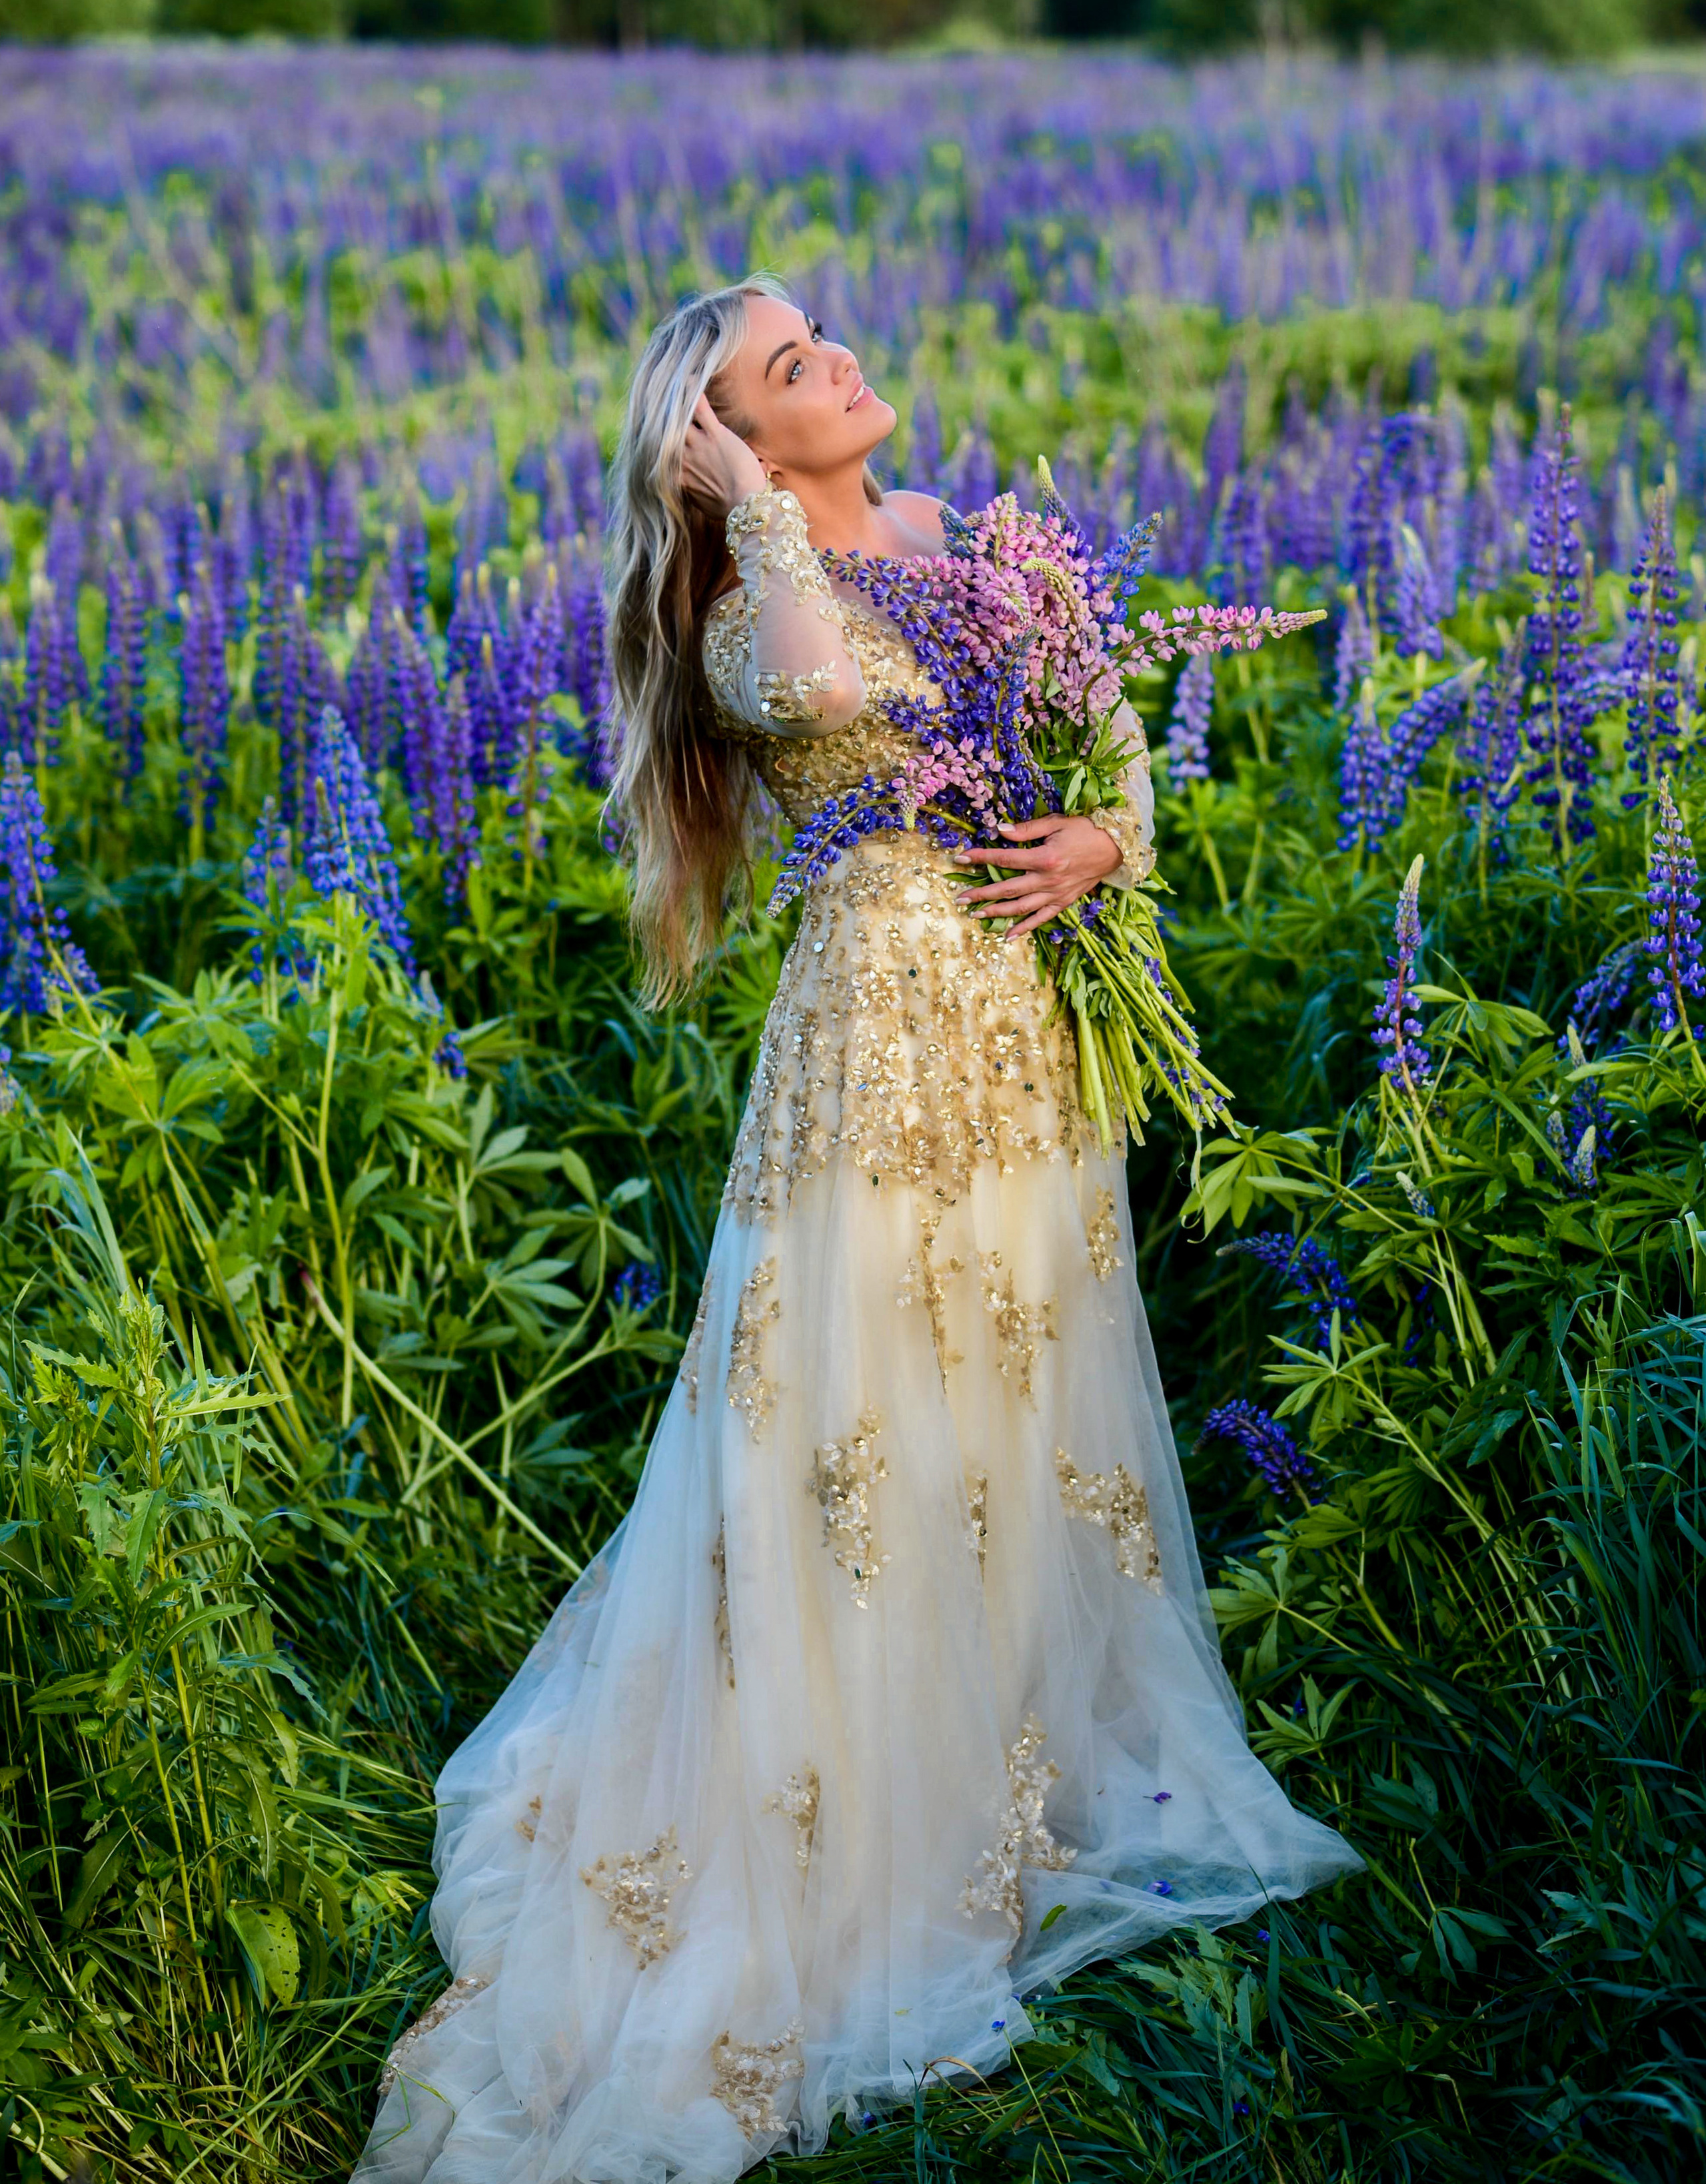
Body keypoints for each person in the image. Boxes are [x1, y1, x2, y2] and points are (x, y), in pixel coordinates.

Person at [350, 271, 1363, 2184]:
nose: (842, 361)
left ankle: (996, 1767)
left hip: (1023, 1043)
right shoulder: (751, 607)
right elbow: (820, 692)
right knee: (865, 1423)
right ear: (731, 436)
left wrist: (1100, 843)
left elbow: (1122, 747)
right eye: (787, 367)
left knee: (1013, 1394)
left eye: (824, 338)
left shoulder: (983, 547)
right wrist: (743, 506)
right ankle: (849, 1817)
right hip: (872, 1063)